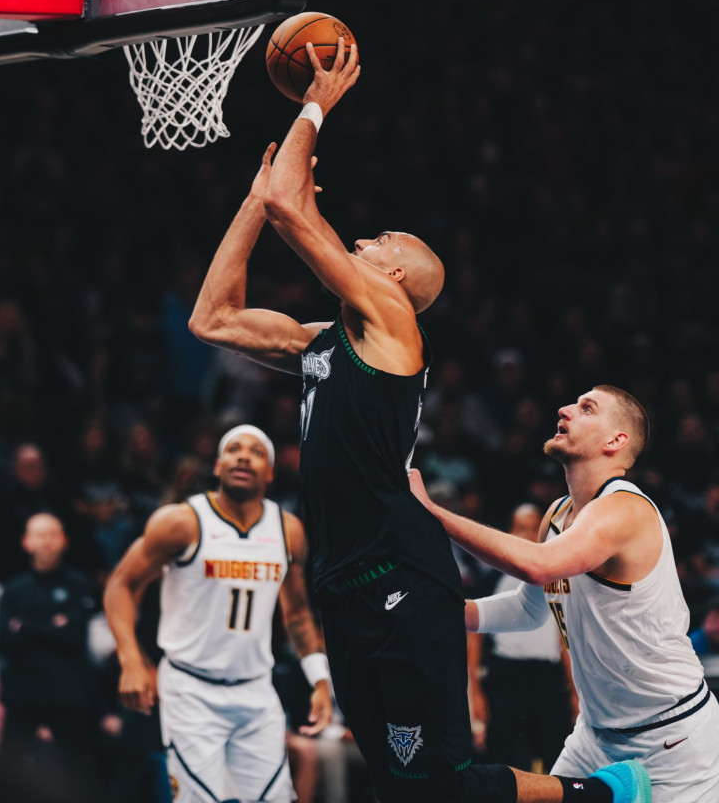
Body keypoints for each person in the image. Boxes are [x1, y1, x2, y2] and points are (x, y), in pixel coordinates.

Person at [188, 40, 649, 803]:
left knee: (438, 784)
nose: (362, 242)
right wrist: (253, 199)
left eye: (377, 243)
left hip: (401, 572)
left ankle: (604, 795)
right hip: (343, 581)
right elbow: (213, 319)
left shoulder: (394, 320)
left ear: (394, 275)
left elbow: (291, 210)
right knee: (400, 788)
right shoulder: (322, 342)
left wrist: (315, 106)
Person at [409, 384, 719, 802]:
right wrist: (443, 611)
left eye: (587, 408)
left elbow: (538, 565)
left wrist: (432, 515)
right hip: (594, 735)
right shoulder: (557, 515)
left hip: (672, 740)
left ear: (616, 440)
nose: (565, 409)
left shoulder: (625, 509)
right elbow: (528, 609)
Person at [103, 424, 332, 803]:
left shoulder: (288, 530)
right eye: (234, 449)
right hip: (192, 689)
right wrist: (131, 661)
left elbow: (297, 614)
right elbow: (120, 585)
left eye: (256, 452)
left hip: (256, 689)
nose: (243, 456)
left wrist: (320, 680)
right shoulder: (182, 522)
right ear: (217, 464)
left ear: (270, 473)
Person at [0, 513, 102, 801]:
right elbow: (5, 641)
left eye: (52, 534)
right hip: (22, 692)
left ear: (64, 541)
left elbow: (74, 637)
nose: (45, 541)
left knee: (78, 772)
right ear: (26, 541)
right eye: (39, 535)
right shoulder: (13, 589)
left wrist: (25, 627)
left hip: (68, 693)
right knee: (10, 771)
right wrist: (52, 627)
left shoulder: (80, 584)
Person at [470, 503, 576, 771]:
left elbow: (564, 639)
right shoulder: (491, 579)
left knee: (557, 760)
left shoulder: (558, 578)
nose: (526, 535)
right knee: (504, 761)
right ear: (510, 531)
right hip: (505, 676)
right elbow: (473, 635)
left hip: (548, 678)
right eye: (520, 528)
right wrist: (476, 692)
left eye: (532, 529)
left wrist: (575, 693)